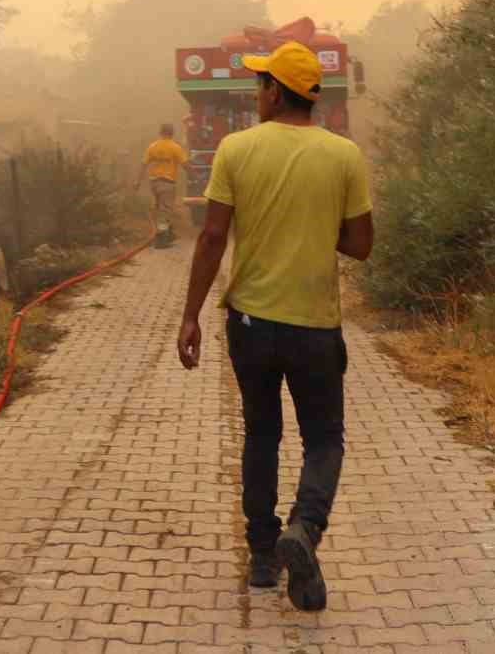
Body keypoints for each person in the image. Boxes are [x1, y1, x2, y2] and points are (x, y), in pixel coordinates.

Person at [175, 41, 373, 611]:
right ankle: (304, 531)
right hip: (314, 326)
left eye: (262, 84)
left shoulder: (236, 149)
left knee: (261, 435)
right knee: (324, 439)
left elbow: (213, 237)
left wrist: (190, 315)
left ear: (272, 92)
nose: (258, 92)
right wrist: (316, 227)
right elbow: (360, 245)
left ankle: (262, 556)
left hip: (250, 323)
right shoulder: (344, 156)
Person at [136, 122, 187, 248]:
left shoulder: (152, 146)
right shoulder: (175, 147)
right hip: (167, 183)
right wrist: (196, 177)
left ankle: (168, 234)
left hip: (154, 183)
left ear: (160, 132)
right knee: (165, 211)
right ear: (172, 133)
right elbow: (185, 164)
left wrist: (137, 181)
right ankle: (161, 241)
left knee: (160, 209)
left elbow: (143, 164)